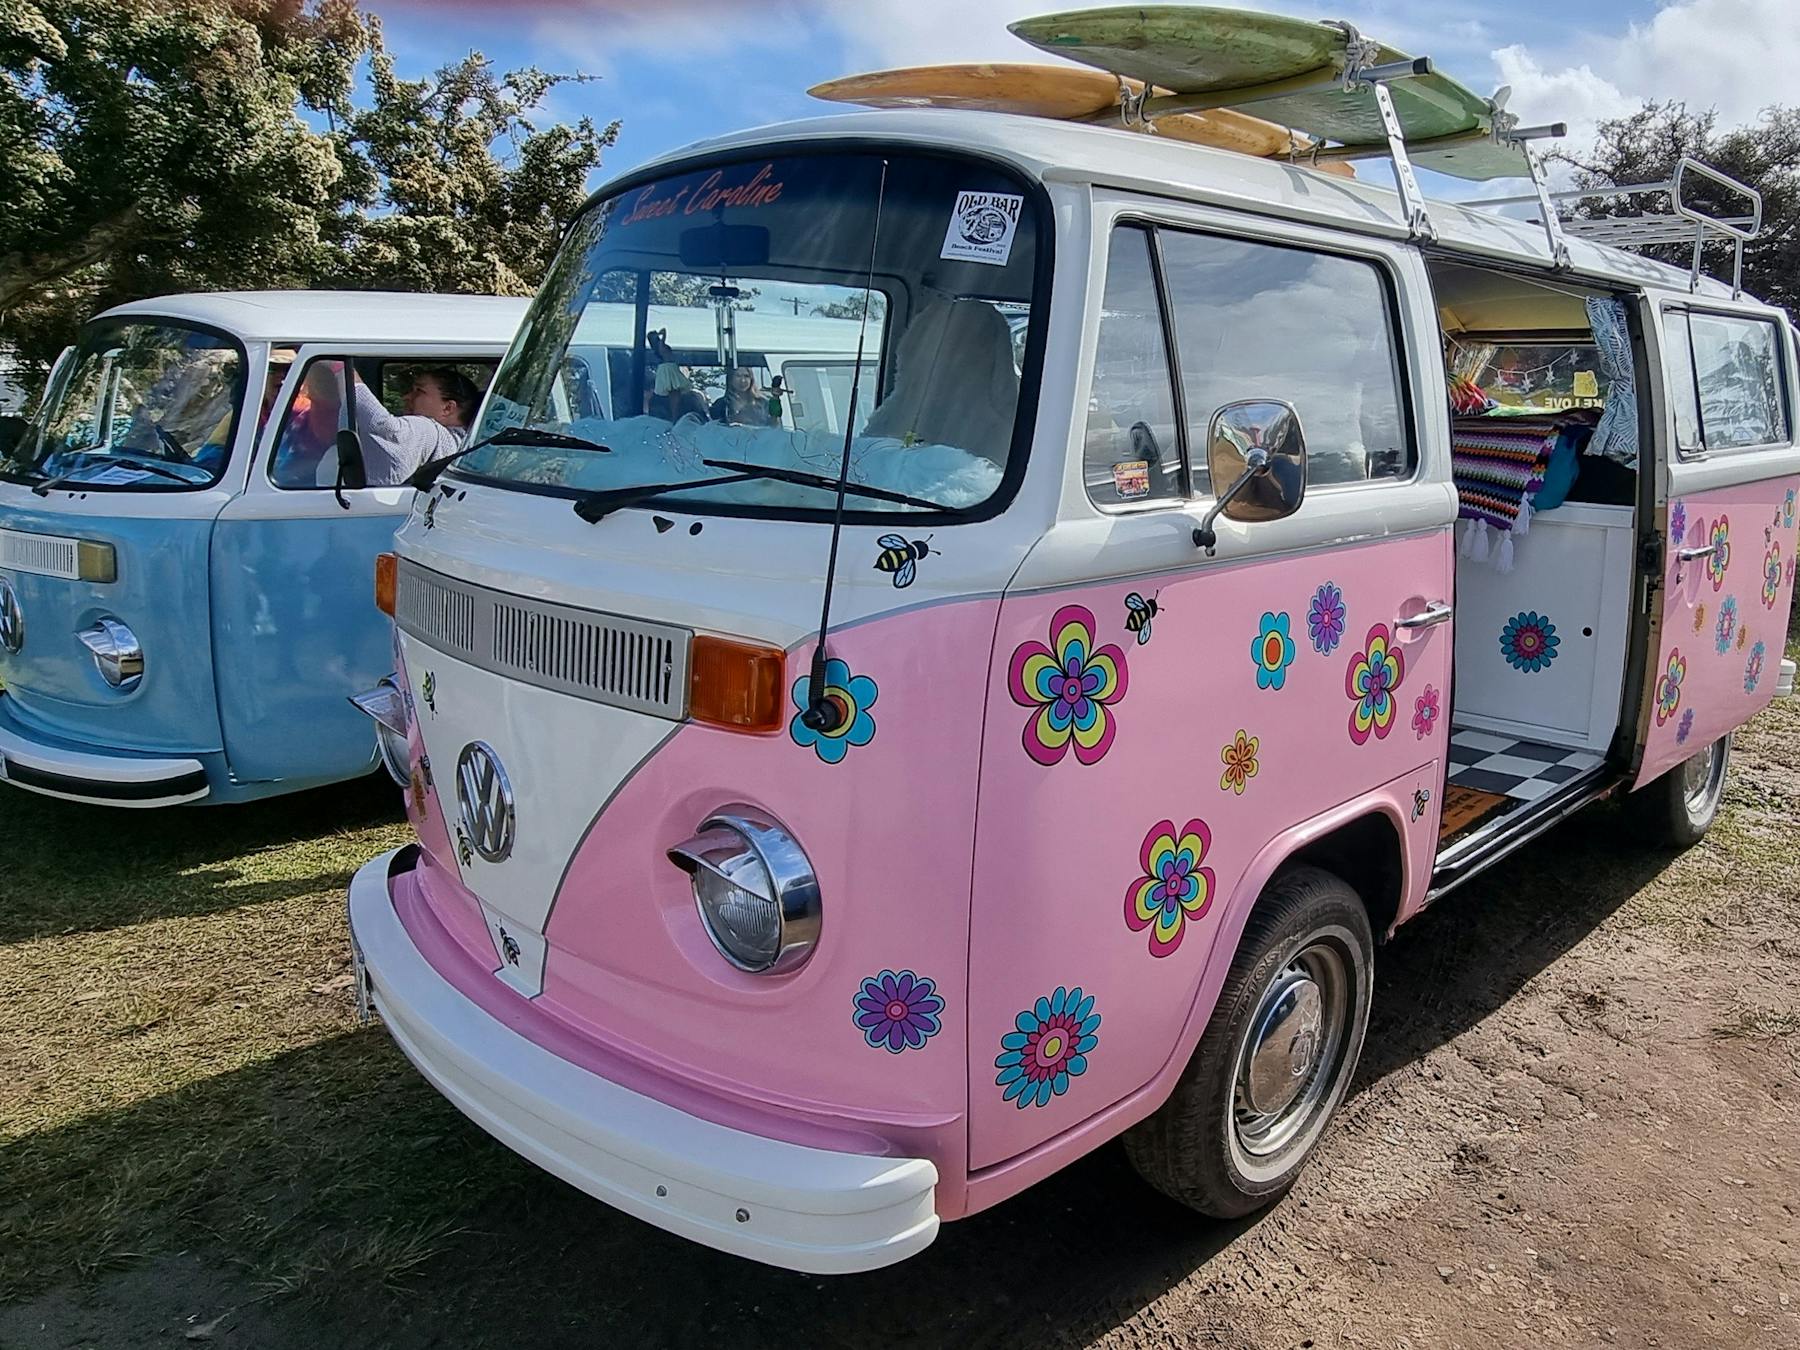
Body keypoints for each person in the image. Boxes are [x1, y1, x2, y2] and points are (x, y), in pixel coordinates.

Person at [350, 366, 481, 485]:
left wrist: (342, 371)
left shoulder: (431, 432)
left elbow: (385, 428)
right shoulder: (472, 445)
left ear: (447, 408)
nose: (406, 397)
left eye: (419, 391)